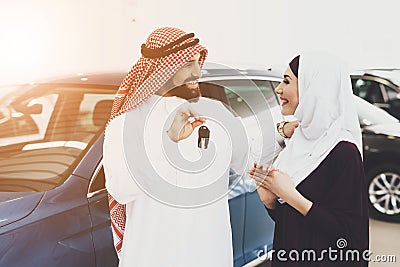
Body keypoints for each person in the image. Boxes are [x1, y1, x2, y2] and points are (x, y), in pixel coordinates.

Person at [103, 27, 252, 267]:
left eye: (197, 62)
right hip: (150, 258)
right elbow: (121, 190)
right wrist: (169, 143)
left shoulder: (217, 114)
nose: (197, 71)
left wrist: (286, 131)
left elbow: (252, 161)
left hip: (210, 256)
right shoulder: (124, 125)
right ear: (160, 71)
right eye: (187, 64)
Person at [249, 53, 369, 266]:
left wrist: (290, 195)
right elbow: (291, 221)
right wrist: (271, 202)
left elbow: (348, 235)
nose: (278, 89)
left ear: (313, 88)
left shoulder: (343, 152)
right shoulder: (299, 140)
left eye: (287, 81)